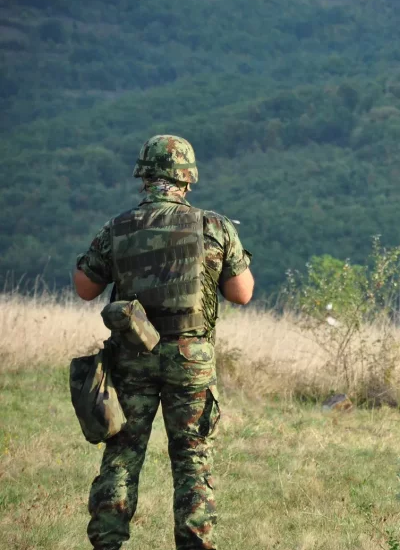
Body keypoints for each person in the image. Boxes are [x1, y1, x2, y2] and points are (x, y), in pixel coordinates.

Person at [73, 134, 254, 550]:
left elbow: (85, 287)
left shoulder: (117, 227)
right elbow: (242, 293)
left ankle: (107, 542)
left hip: (132, 360)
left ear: (144, 177)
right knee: (192, 460)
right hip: (190, 360)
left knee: (121, 454)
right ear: (187, 180)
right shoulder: (214, 226)